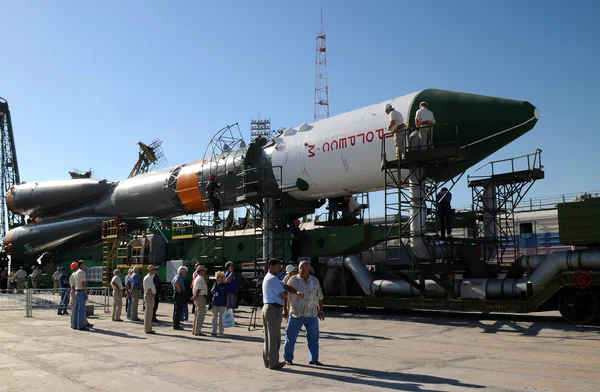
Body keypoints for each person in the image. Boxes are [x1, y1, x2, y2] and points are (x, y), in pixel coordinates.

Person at [262, 258, 304, 370]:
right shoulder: (272, 279)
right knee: (274, 338)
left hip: (269, 308)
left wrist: (296, 291)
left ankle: (268, 361)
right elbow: (283, 294)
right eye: (277, 266)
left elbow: (285, 286)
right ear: (271, 266)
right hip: (273, 309)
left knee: (268, 337)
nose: (279, 269)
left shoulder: (271, 278)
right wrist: (292, 295)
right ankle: (274, 364)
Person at [283, 260, 325, 366]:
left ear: (308, 269)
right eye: (300, 268)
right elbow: (285, 297)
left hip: (311, 315)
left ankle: (314, 359)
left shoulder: (315, 281)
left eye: (303, 268)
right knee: (290, 338)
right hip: (296, 314)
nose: (301, 270)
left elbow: (320, 297)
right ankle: (288, 358)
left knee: (314, 339)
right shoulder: (293, 280)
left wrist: (320, 310)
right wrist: (285, 310)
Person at [71, 260, 89, 331]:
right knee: (81, 310)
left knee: (76, 309)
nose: (85, 265)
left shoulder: (75, 273)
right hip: (81, 291)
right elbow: (83, 283)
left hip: (76, 291)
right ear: (81, 264)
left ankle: (74, 324)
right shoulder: (82, 272)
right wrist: (86, 293)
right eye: (84, 264)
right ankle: (80, 326)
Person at [191, 265, 208, 336]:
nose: (205, 272)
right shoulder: (201, 279)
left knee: (196, 315)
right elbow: (199, 289)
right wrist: (195, 296)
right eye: (204, 270)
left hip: (198, 298)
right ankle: (198, 331)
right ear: (200, 271)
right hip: (200, 298)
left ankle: (194, 330)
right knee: (200, 315)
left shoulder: (197, 278)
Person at [211, 271, 227, 336]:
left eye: (218, 277)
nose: (217, 278)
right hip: (215, 302)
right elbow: (212, 291)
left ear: (222, 278)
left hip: (222, 303)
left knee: (221, 318)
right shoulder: (215, 284)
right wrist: (213, 289)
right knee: (214, 317)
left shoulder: (225, 285)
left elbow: (227, 294)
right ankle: (214, 331)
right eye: (216, 277)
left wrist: (227, 302)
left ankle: (221, 331)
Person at [143, 265, 158, 334]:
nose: (155, 271)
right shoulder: (148, 278)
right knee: (148, 313)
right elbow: (149, 289)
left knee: (149, 313)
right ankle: (148, 329)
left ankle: (148, 328)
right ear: (151, 270)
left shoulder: (150, 277)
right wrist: (152, 296)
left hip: (149, 295)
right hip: (149, 296)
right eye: (154, 269)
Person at [172, 266, 188, 330]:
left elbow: (172, 282)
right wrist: (179, 290)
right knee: (179, 310)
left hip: (177, 294)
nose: (186, 273)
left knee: (177, 310)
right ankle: (176, 325)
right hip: (179, 294)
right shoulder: (179, 277)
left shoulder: (176, 276)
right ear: (182, 272)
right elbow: (176, 282)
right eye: (185, 272)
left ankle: (176, 324)